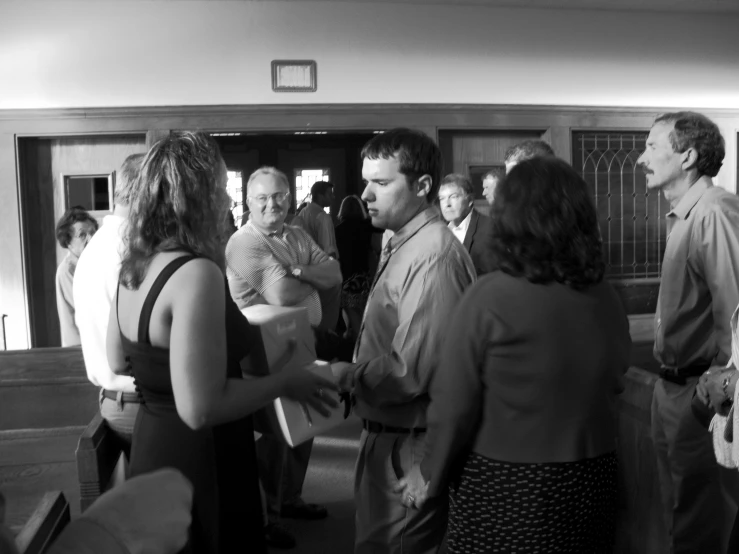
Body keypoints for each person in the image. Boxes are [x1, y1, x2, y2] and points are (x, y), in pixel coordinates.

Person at [107, 132, 338, 554]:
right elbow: (201, 408)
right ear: (197, 196)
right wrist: (286, 384)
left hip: (153, 442)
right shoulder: (196, 273)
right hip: (201, 455)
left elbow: (118, 361)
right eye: (218, 188)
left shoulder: (133, 267)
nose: (225, 200)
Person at [398, 157, 631, 553]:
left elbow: (454, 403)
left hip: (509, 478)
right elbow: (616, 375)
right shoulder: (605, 295)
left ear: (509, 219)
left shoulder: (490, 296)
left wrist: (429, 471)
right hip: (592, 472)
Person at [333, 128, 476, 554]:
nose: (366, 194)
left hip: (409, 442)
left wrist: (346, 375)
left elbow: (409, 372)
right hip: (388, 433)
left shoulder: (432, 255)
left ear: (423, 186)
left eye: (381, 183)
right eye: (366, 182)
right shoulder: (401, 240)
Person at [639, 112, 739, 554]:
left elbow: (736, 315)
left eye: (652, 147)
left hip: (697, 393)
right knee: (678, 511)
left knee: (698, 519)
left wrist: (712, 395)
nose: (641, 158)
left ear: (688, 156)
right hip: (671, 387)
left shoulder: (714, 212)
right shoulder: (684, 215)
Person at [225, 166, 342, 532]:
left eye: (278, 196)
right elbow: (281, 294)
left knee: (303, 422)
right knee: (274, 434)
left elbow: (336, 273)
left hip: (300, 341)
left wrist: (294, 269)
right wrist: (307, 275)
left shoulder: (295, 233)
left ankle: (289, 499)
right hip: (263, 350)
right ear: (248, 202)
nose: (270, 204)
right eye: (261, 198)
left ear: (290, 198)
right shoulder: (245, 242)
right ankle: (267, 517)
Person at [74, 153, 144, 462]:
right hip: (137, 400)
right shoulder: (128, 250)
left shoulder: (102, 242)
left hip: (121, 398)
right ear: (148, 191)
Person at [54, 206, 98, 346]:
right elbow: (89, 309)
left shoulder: (90, 265)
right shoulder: (67, 270)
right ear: (68, 242)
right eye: (82, 235)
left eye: (93, 232)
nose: (91, 239)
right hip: (78, 349)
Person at [438, 173, 495, 276]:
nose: (447, 204)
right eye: (442, 198)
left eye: (453, 197)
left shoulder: (490, 228)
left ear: (469, 200)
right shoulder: (439, 231)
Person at [335, 195, 374, 338]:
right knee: (364, 314)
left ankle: (358, 350)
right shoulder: (368, 227)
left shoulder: (337, 230)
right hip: (364, 277)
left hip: (346, 278)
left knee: (351, 315)